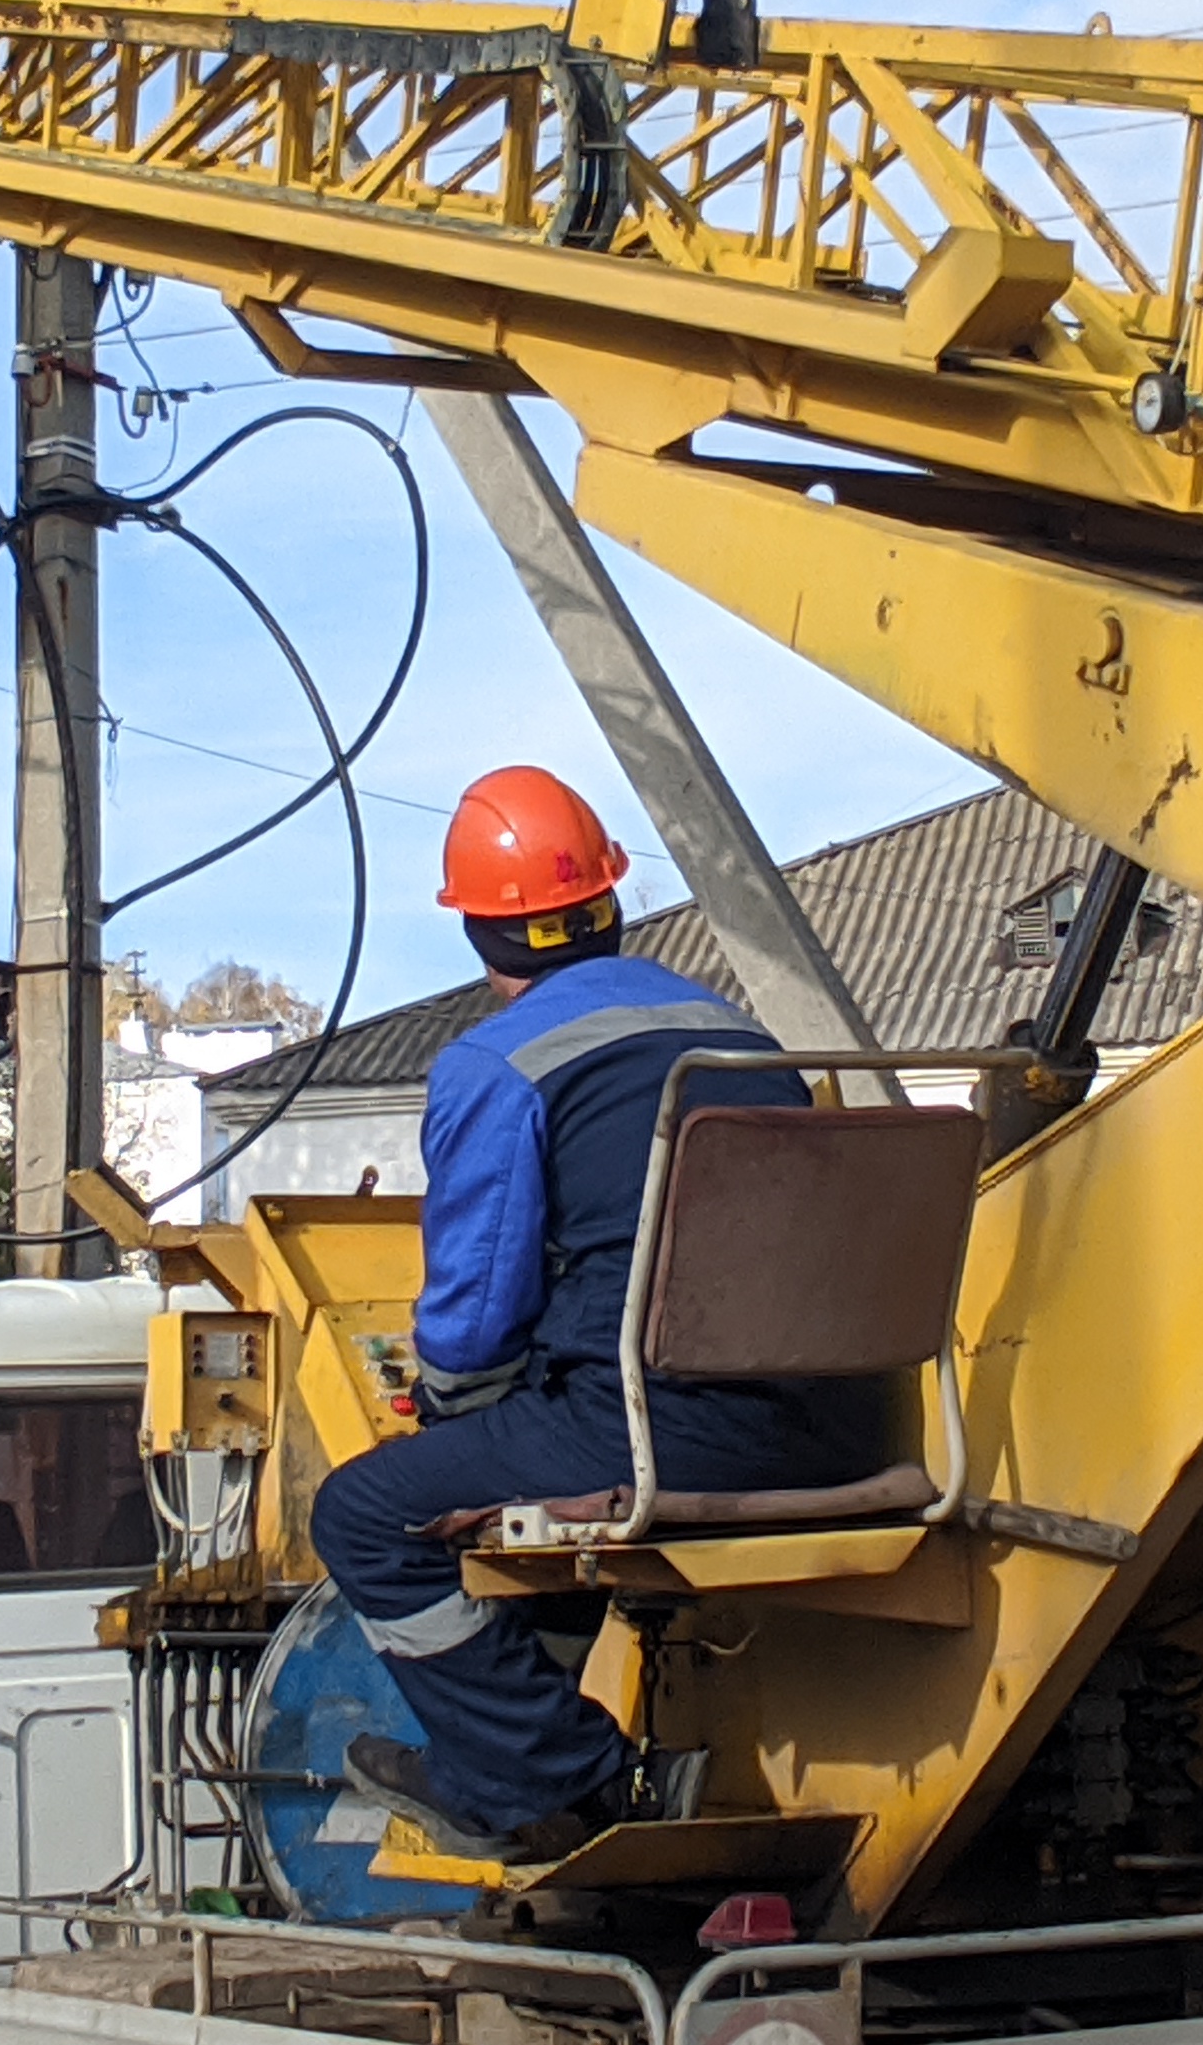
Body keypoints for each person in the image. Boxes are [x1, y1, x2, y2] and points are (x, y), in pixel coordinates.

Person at [317, 766, 892, 1863]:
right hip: (837, 1428)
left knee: (367, 1517)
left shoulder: (495, 1064)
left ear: (480, 937)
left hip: (657, 1430)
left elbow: (475, 1316)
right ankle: (515, 1772)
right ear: (612, 900)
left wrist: (450, 1418)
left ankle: (545, 1776)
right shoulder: (735, 1032)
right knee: (504, 1476)